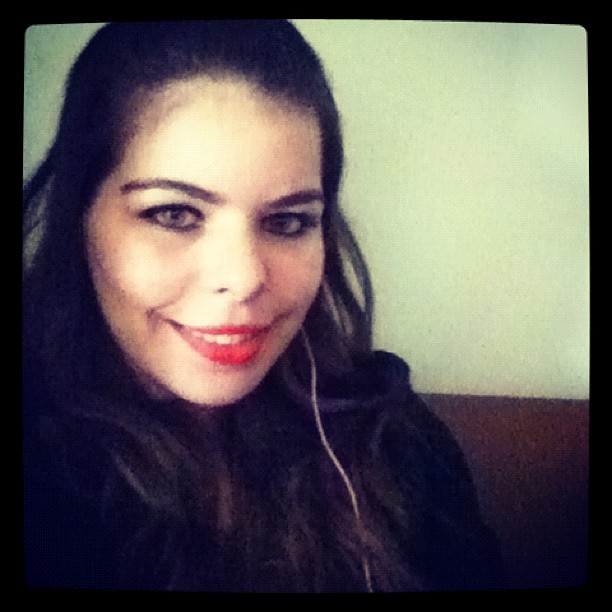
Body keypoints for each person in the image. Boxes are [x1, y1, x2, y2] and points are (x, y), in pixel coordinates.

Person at [22, 20, 505, 592]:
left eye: (288, 221)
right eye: (174, 214)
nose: (245, 278)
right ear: (79, 217)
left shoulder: (394, 441)